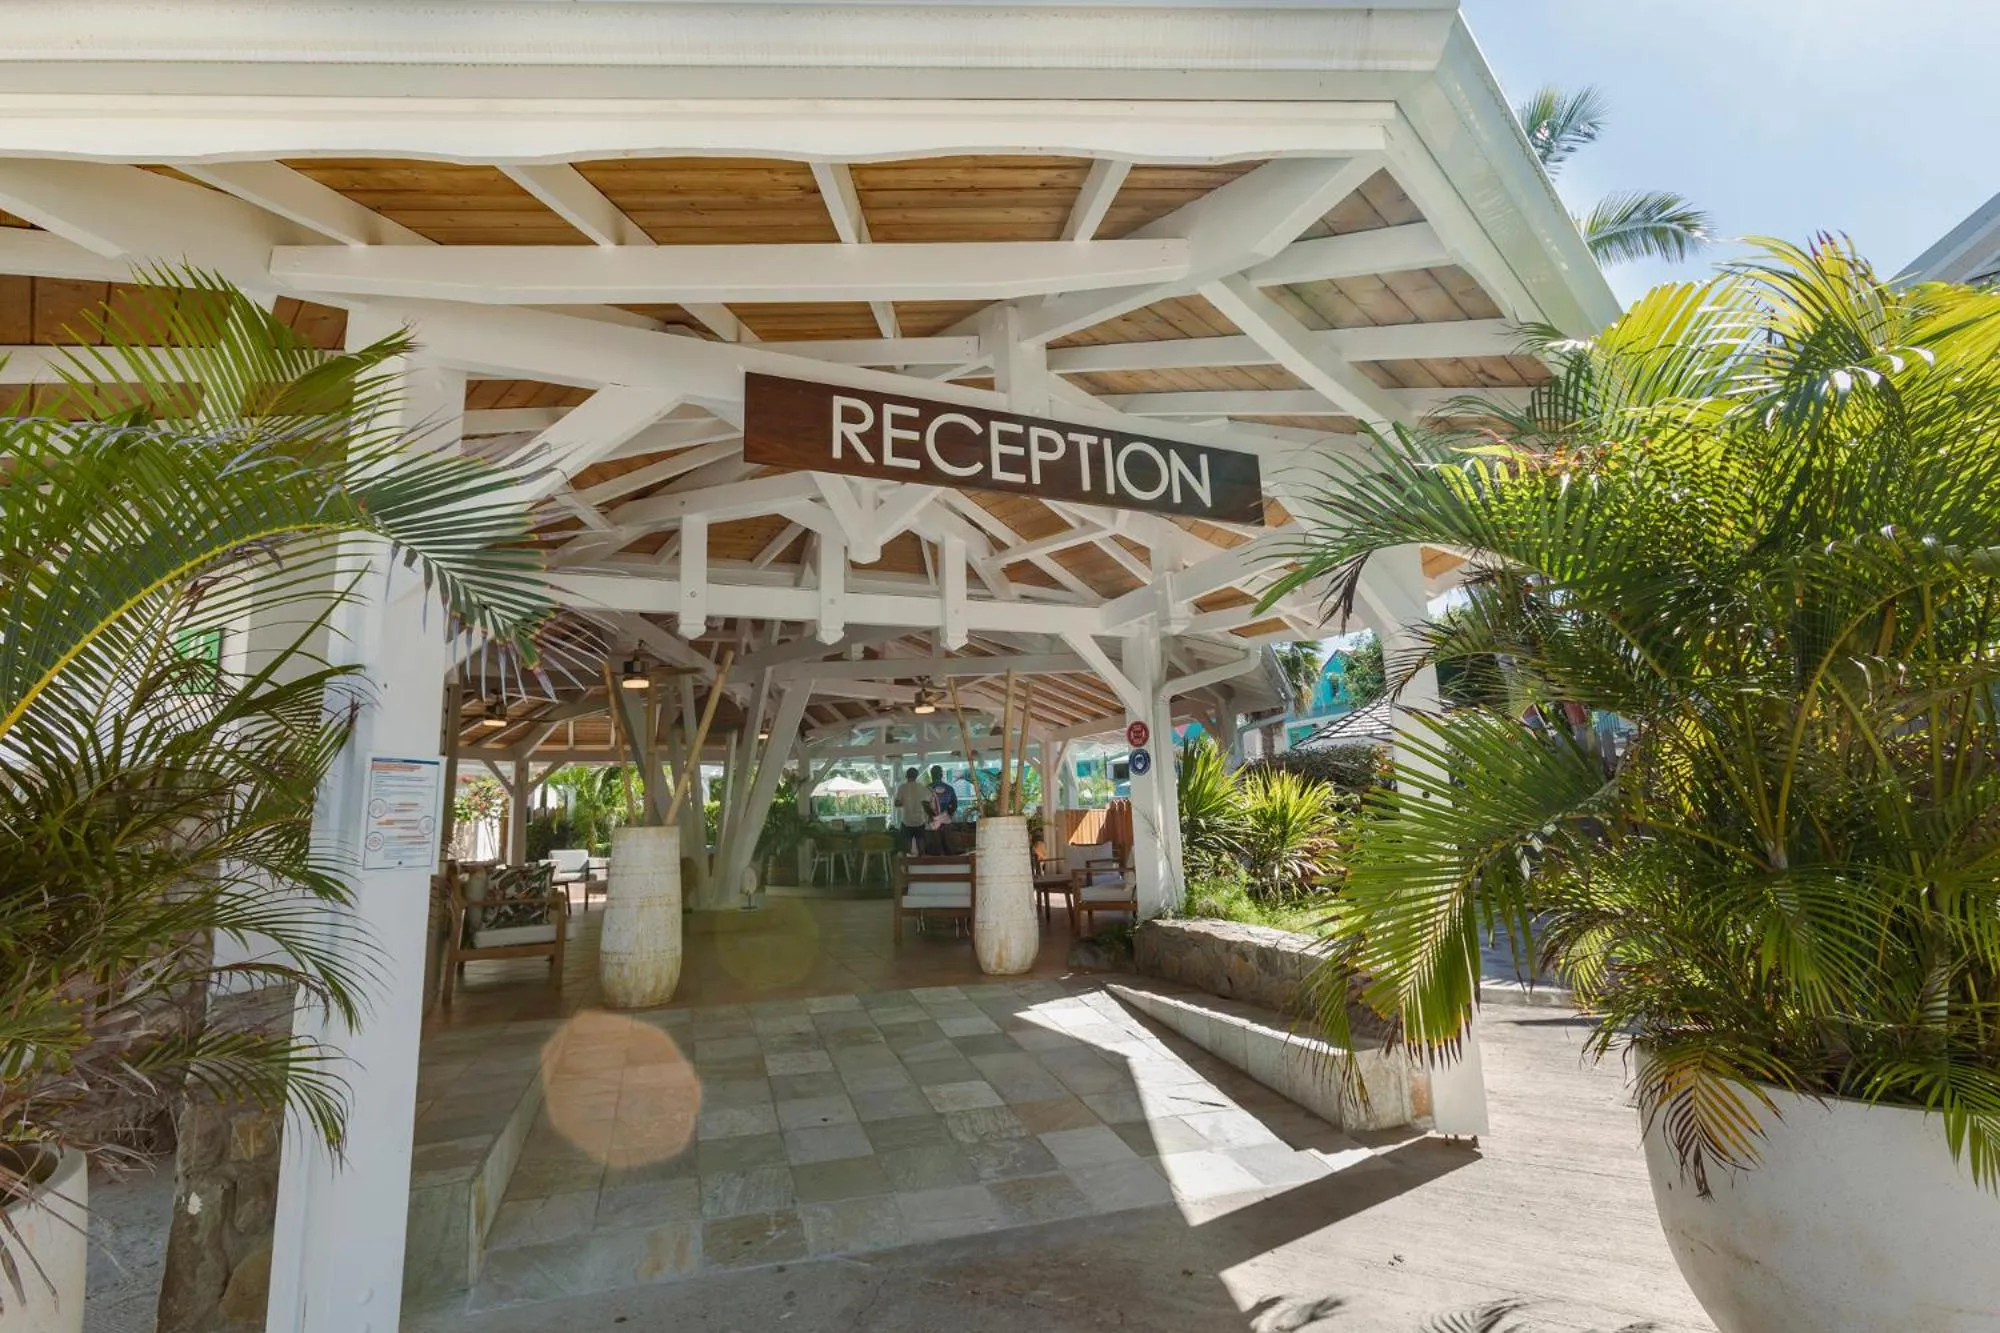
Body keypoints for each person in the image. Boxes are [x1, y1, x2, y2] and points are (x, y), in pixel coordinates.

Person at [893, 766, 930, 855]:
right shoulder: (922, 788)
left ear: (906, 776)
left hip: (907, 820)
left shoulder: (902, 788)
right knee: (921, 844)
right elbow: (927, 803)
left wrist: (905, 803)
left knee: (907, 848)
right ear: (916, 776)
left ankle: (907, 866)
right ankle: (922, 863)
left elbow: (897, 804)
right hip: (920, 820)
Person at [926, 764, 958, 853]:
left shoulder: (927, 789)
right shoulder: (949, 788)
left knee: (936, 845)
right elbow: (954, 804)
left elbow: (925, 805)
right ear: (941, 775)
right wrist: (948, 814)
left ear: (932, 775)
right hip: (946, 820)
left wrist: (933, 816)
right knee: (948, 844)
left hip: (934, 821)